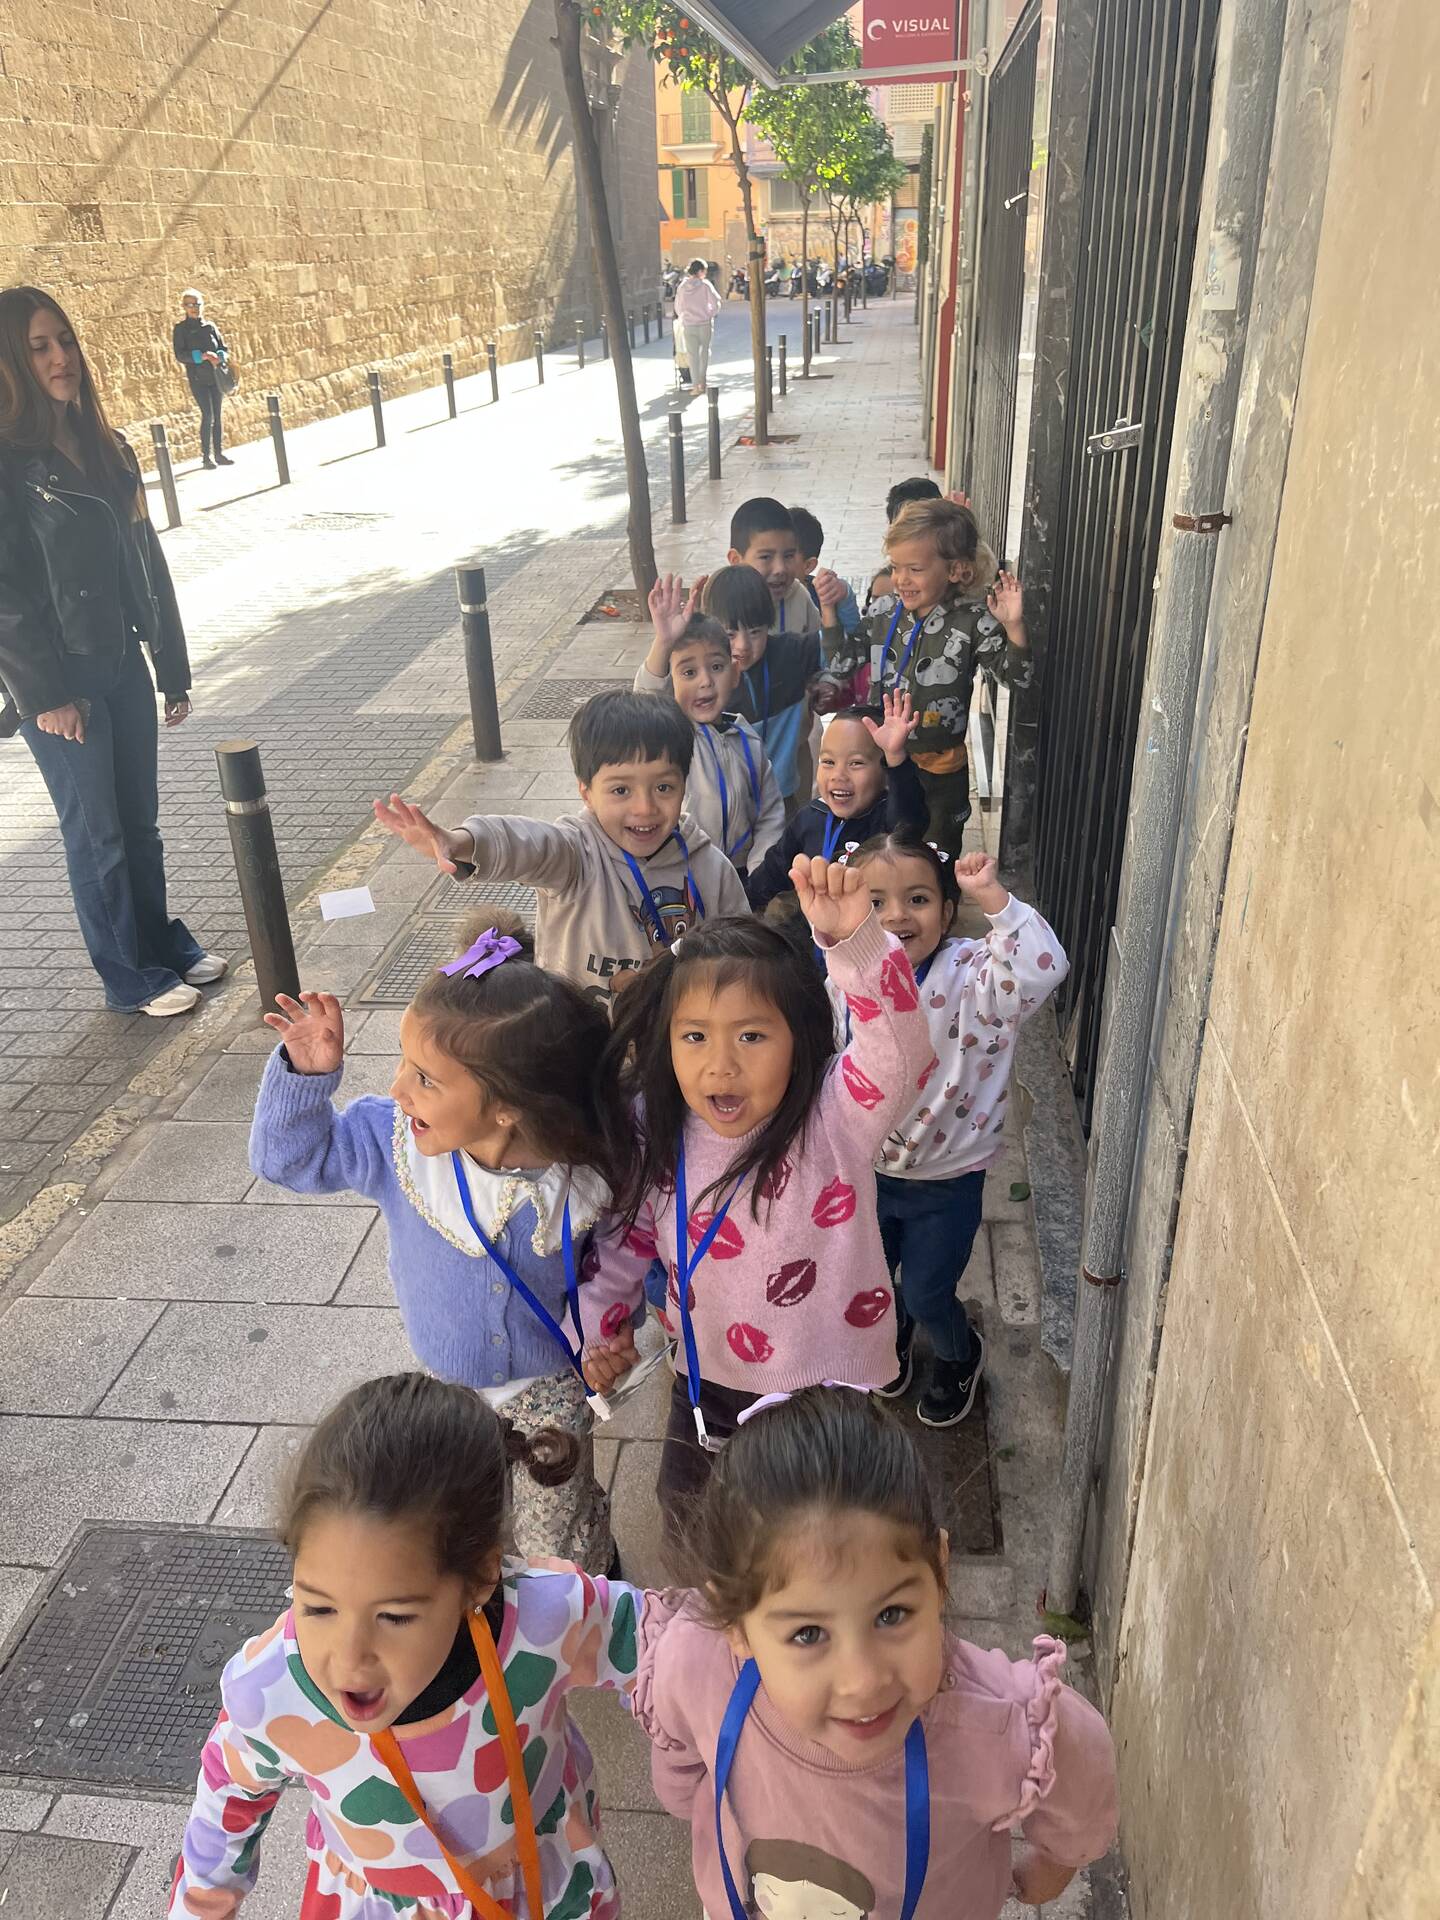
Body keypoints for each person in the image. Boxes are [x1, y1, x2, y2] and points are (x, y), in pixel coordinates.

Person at [248, 912, 645, 1571]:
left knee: (557, 1529)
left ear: (508, 1106)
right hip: (448, 1389)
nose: (398, 1089)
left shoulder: (584, 1169)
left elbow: (624, 1258)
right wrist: (305, 1075)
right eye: (405, 1064)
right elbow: (288, 1159)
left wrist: (613, 1333)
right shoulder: (396, 1145)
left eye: (425, 1079)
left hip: (553, 1386)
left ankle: (590, 1593)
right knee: (465, 1521)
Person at [630, 1385, 1119, 1920]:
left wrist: (1051, 1866)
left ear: (939, 1569)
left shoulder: (995, 1723)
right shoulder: (694, 1663)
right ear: (734, 1624)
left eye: (891, 1615)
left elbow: (1082, 1773)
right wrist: (685, 1795)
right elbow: (680, 1756)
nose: (862, 1680)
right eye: (808, 1634)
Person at [170, 1372, 647, 1919]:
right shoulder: (273, 1689)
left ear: (480, 1579)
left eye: (394, 1617)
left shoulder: (543, 1621)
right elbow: (230, 1791)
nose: (348, 1658)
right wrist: (200, 1907)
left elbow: (655, 1643)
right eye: (318, 1608)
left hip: (543, 1889)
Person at [580, 855, 932, 1526]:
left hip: (825, 1388)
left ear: (799, 1038)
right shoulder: (655, 1130)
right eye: (694, 1036)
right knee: (686, 1516)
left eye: (751, 1035)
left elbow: (903, 1056)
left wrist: (857, 945)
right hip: (705, 1378)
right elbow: (626, 1239)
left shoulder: (835, 1116)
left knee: (813, 1537)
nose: (721, 1064)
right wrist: (601, 1329)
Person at [0, 285, 224, 1018]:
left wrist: (171, 664)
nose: (60, 358)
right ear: (11, 363)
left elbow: (145, 562)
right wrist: (43, 696)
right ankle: (129, 974)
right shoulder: (9, 465)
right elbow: (5, 595)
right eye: (38, 347)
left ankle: (161, 945)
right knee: (97, 834)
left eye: (64, 340)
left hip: (122, 661)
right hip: (59, 681)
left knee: (139, 824)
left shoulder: (106, 445)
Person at [842, 830, 1068, 1425]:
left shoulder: (974, 976)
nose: (896, 915)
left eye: (917, 899)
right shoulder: (847, 975)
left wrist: (993, 897)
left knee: (926, 1291)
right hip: (868, 1173)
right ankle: (894, 1333)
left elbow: (1041, 968)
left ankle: (959, 1352)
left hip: (947, 1180)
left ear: (946, 912)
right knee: (873, 1279)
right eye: (874, 902)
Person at [373, 689, 748, 1007]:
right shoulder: (575, 854)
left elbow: (743, 950)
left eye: (663, 787)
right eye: (621, 790)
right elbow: (526, 842)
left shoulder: (709, 866)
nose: (645, 807)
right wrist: (464, 842)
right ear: (586, 792)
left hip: (674, 1045)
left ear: (684, 784)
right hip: (575, 1043)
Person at [815, 498, 1031, 856]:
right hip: (882, 762)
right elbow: (841, 662)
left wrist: (1014, 626)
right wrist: (829, 612)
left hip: (940, 771)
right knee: (881, 850)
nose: (901, 579)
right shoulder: (884, 612)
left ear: (955, 570)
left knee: (936, 854)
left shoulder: (974, 621)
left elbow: (1018, 679)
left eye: (914, 569)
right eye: (895, 567)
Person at [635, 579, 784, 874]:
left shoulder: (747, 740)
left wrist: (759, 870)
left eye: (716, 667)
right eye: (688, 672)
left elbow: (770, 814)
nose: (705, 681)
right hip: (682, 875)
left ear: (734, 673)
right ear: (670, 681)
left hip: (740, 874)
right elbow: (642, 706)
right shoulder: (669, 738)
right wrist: (663, 642)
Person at [743, 698, 926, 913]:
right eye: (828, 762)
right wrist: (739, 908)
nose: (838, 775)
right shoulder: (809, 817)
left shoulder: (888, 820)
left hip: (870, 931)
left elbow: (908, 823)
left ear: (885, 772)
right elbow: (770, 875)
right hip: (813, 931)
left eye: (856, 763)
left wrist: (895, 758)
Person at [171, 288, 232, 468]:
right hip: (198, 378)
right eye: (189, 305)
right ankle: (206, 456)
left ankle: (219, 453)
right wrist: (202, 356)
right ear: (184, 307)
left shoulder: (210, 327)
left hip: (216, 376)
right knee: (208, 415)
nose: (193, 308)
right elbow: (180, 355)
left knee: (217, 415)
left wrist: (219, 356)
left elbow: (223, 348)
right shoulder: (181, 329)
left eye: (196, 304)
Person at [789, 505, 860, 637]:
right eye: (767, 556)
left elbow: (854, 635)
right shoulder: (759, 598)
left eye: (787, 556)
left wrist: (844, 594)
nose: (776, 566)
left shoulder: (826, 592)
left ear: (808, 565)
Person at [674, 257, 723, 394]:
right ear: (700, 271)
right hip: (704, 324)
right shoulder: (705, 285)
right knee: (704, 353)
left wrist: (684, 316)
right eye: (705, 271)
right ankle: (703, 381)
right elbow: (716, 302)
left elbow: (678, 307)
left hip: (689, 325)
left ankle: (696, 386)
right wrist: (710, 314)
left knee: (692, 355)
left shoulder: (682, 287)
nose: (705, 274)